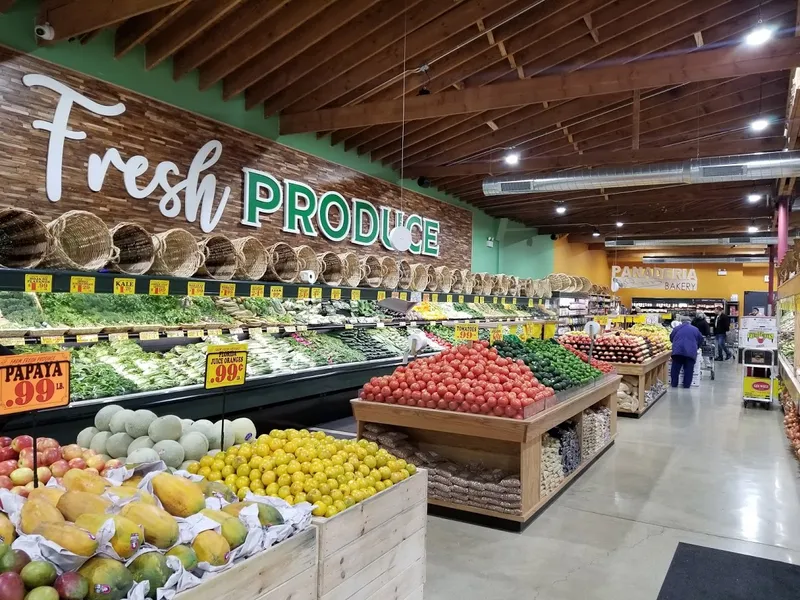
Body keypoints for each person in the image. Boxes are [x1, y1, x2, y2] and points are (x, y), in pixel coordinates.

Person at [670, 316, 704, 388]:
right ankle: (686, 385)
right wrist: (697, 346)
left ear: (681, 322)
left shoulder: (676, 328)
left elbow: (671, 337)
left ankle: (674, 384)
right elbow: (701, 339)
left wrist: (676, 343)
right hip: (690, 352)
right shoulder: (695, 329)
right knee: (689, 369)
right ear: (690, 322)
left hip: (677, 351)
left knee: (675, 369)